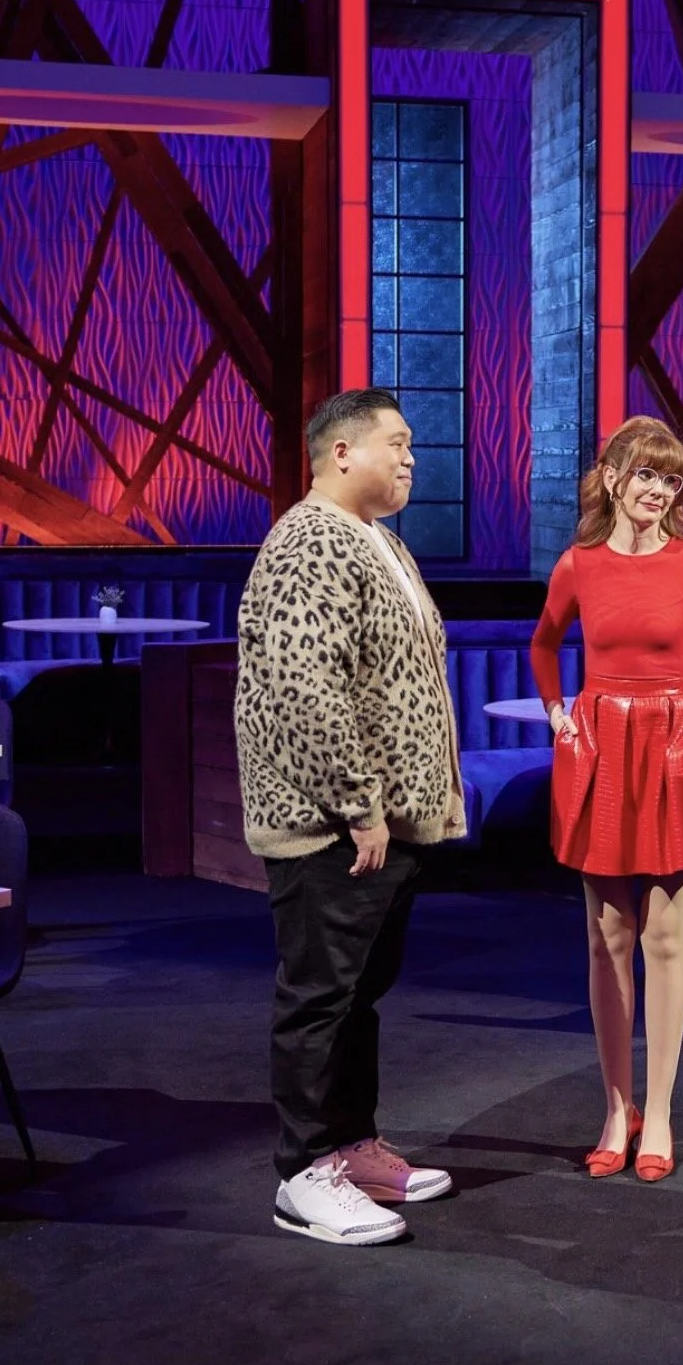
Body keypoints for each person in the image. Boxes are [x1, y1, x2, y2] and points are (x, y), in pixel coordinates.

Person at [235, 388, 466, 1246]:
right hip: (333, 826)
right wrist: (359, 805)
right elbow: (306, 688)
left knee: (359, 995)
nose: (411, 458)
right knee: (320, 998)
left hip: (383, 825)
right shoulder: (307, 541)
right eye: (396, 443)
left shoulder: (376, 539)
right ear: (341, 452)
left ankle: (351, 1144)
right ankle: (304, 1174)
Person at [530, 416, 683, 1181]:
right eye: (646, 475)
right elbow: (543, 643)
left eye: (670, 479)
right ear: (612, 477)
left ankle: (657, 1110)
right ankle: (614, 1106)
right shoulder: (578, 564)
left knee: (665, 936)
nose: (659, 490)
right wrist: (559, 715)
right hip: (601, 749)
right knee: (607, 937)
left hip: (671, 749)